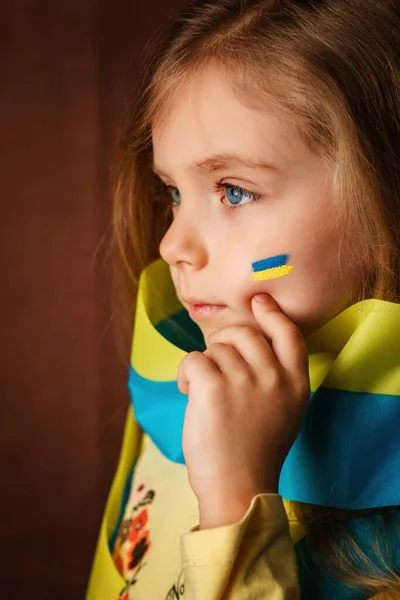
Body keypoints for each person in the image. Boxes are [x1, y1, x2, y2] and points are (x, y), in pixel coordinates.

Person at [86, 0, 400, 598]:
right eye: (173, 192)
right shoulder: (174, 388)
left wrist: (234, 505)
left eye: (233, 191)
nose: (173, 244)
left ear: (385, 189)